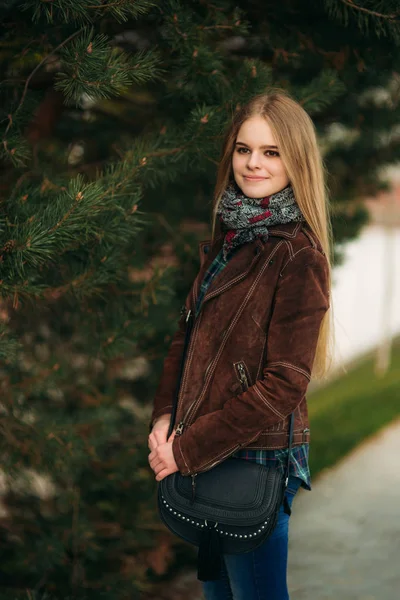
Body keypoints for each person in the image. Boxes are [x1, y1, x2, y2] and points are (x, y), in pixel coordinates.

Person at [148, 89, 333, 600]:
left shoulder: (297, 254)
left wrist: (186, 449)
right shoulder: (231, 235)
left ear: (296, 161)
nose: (253, 164)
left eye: (271, 152)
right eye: (243, 149)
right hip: (208, 456)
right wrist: (164, 418)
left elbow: (285, 384)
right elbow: (186, 338)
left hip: (255, 462)